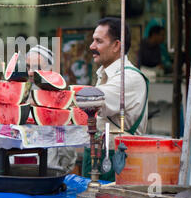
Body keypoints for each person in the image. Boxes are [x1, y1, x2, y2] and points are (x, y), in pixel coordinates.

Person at [84, 17, 149, 180]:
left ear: (116, 45)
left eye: (98, 41)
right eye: (93, 40)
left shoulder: (129, 77)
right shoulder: (105, 74)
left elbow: (93, 101)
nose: (92, 46)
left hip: (117, 158)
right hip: (98, 152)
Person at [25, 45, 78, 173]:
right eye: (28, 66)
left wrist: (61, 170)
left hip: (48, 171)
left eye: (37, 67)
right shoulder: (22, 95)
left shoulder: (60, 101)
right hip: (18, 170)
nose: (30, 72)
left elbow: (67, 146)